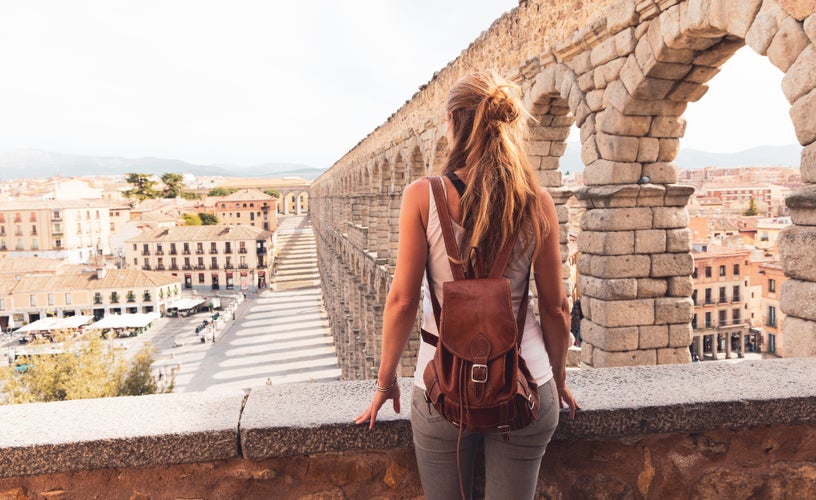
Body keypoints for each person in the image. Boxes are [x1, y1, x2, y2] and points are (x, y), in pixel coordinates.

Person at [354, 72, 579, 499]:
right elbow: (556, 308)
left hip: (442, 390)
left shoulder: (423, 195)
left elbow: (401, 301)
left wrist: (385, 383)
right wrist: (559, 377)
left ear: (454, 122)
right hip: (528, 387)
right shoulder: (537, 199)